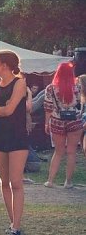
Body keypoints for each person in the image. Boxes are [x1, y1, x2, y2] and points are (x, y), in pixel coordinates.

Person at [0, 50, 29, 235]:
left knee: (16, 182)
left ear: (4, 65)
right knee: (4, 182)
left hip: (17, 137)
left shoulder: (20, 82)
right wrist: (0, 110)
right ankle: (13, 223)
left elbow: (11, 111)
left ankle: (16, 227)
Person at [43, 61, 82, 189]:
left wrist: (46, 123)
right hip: (74, 121)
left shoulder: (50, 88)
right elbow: (81, 103)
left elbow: (48, 107)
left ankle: (50, 180)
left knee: (58, 152)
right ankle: (68, 182)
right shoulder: (77, 86)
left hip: (57, 121)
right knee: (71, 152)